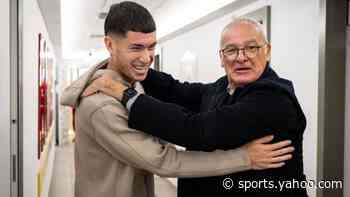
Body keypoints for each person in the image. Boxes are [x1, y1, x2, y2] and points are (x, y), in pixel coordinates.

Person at [60, 2, 294, 197]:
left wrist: (127, 84)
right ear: (221, 57)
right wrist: (134, 71)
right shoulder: (101, 104)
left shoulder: (272, 98)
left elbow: (197, 129)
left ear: (268, 51)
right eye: (231, 50)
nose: (241, 57)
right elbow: (176, 92)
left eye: (251, 48)